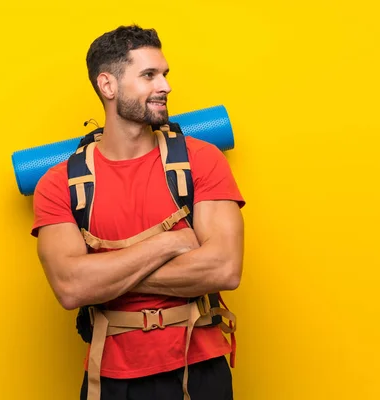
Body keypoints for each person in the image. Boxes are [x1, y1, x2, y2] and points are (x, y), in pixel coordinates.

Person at [30, 24, 245, 400]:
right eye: (149, 75)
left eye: (164, 74)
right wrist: (170, 243)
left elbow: (224, 268)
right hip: (110, 377)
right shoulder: (58, 183)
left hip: (201, 369)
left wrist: (104, 276)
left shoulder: (200, 161)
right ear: (108, 86)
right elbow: (70, 288)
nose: (165, 86)